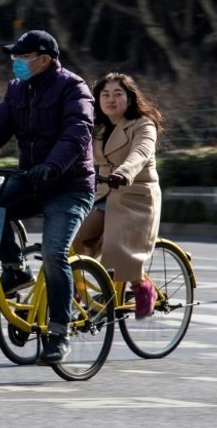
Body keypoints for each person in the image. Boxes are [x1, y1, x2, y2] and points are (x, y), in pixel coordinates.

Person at [0, 30, 96, 364]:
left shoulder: (74, 88)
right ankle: (15, 268)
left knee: (54, 252)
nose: (15, 63)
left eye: (21, 58)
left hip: (69, 187)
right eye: (14, 58)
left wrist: (52, 166)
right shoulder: (17, 90)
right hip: (32, 180)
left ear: (44, 59)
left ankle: (60, 331)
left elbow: (77, 134)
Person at [72, 72, 164, 320]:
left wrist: (124, 173)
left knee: (116, 248)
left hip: (135, 195)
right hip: (103, 194)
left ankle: (141, 286)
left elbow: (141, 152)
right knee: (76, 240)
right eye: (105, 94)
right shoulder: (96, 126)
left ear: (130, 98)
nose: (110, 99)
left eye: (117, 94)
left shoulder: (143, 124)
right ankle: (76, 292)